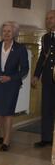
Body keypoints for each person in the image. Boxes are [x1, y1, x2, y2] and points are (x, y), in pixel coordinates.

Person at [0, 21, 29, 152]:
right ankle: (2, 134)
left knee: (8, 113)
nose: (6, 33)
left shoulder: (20, 48)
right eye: (4, 31)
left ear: (14, 33)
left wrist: (10, 77)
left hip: (12, 85)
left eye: (9, 31)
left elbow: (25, 69)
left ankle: (6, 141)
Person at [31, 10, 55, 148]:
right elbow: (42, 57)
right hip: (47, 79)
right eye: (47, 18)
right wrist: (36, 75)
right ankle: (46, 138)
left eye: (51, 18)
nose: (48, 20)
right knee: (46, 108)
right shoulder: (45, 37)